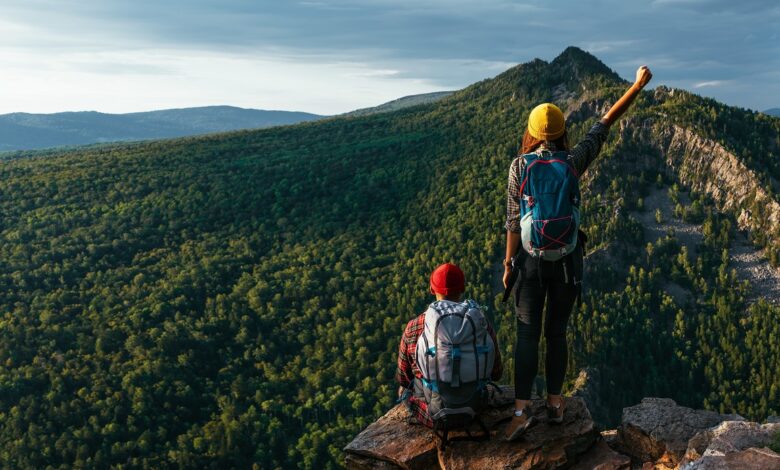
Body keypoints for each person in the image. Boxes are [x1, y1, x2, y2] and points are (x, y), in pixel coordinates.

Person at [503, 66, 653, 441]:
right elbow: (605, 122)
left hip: (530, 263)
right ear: (560, 132)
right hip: (568, 264)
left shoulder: (519, 166)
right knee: (557, 333)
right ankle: (555, 404)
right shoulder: (572, 161)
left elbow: (510, 222)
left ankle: (521, 411)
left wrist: (509, 264)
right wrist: (636, 86)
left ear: (533, 133)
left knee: (527, 335)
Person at [396, 263, 502, 428]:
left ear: (432, 290)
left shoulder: (416, 326)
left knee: (406, 391)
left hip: (433, 413)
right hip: (474, 408)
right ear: (462, 289)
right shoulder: (479, 323)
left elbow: (403, 376)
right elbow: (496, 373)